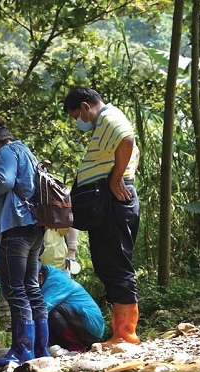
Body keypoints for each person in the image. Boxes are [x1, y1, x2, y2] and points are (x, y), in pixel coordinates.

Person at [63, 87, 141, 345]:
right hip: (107, 203)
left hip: (113, 203)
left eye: (76, 115)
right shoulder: (104, 123)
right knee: (107, 263)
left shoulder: (109, 117)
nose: (78, 121)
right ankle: (119, 331)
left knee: (116, 263)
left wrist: (117, 178)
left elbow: (127, 140)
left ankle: (126, 333)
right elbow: (132, 152)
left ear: (86, 107)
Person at [0, 117, 49, 367]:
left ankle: (22, 351)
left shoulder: (5, 152)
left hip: (15, 227)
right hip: (35, 228)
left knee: (14, 289)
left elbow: (4, 181)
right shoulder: (27, 151)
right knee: (31, 288)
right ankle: (41, 350)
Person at [39, 264, 104, 352]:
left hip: (90, 328)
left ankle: (76, 346)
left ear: (40, 275)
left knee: (48, 310)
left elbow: (43, 308)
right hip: (78, 322)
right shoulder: (48, 279)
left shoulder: (58, 280)